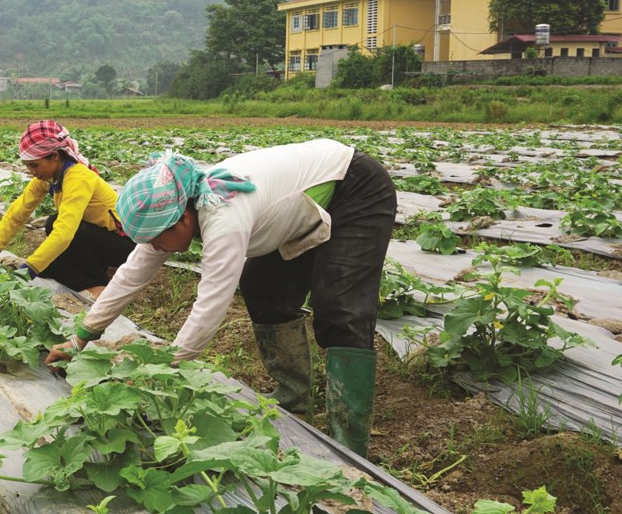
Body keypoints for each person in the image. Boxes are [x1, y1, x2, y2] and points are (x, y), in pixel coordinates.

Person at [43, 139, 396, 457]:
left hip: (354, 187)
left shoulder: (223, 214)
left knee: (338, 307)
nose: (154, 248)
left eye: (157, 239)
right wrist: (81, 336)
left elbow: (211, 303)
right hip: (296, 206)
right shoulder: (176, 211)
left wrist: (162, 366)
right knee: (262, 288)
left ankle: (349, 446)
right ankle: (294, 398)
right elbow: (130, 275)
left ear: (182, 218)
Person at [0, 121, 136, 298]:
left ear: (54, 156)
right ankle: (106, 270)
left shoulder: (78, 177)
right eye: (27, 165)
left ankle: (97, 284)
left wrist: (27, 271)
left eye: (34, 165)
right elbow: (17, 214)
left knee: (60, 228)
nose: (31, 171)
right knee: (50, 261)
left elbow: (65, 232)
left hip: (127, 245)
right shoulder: (48, 178)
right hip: (99, 238)